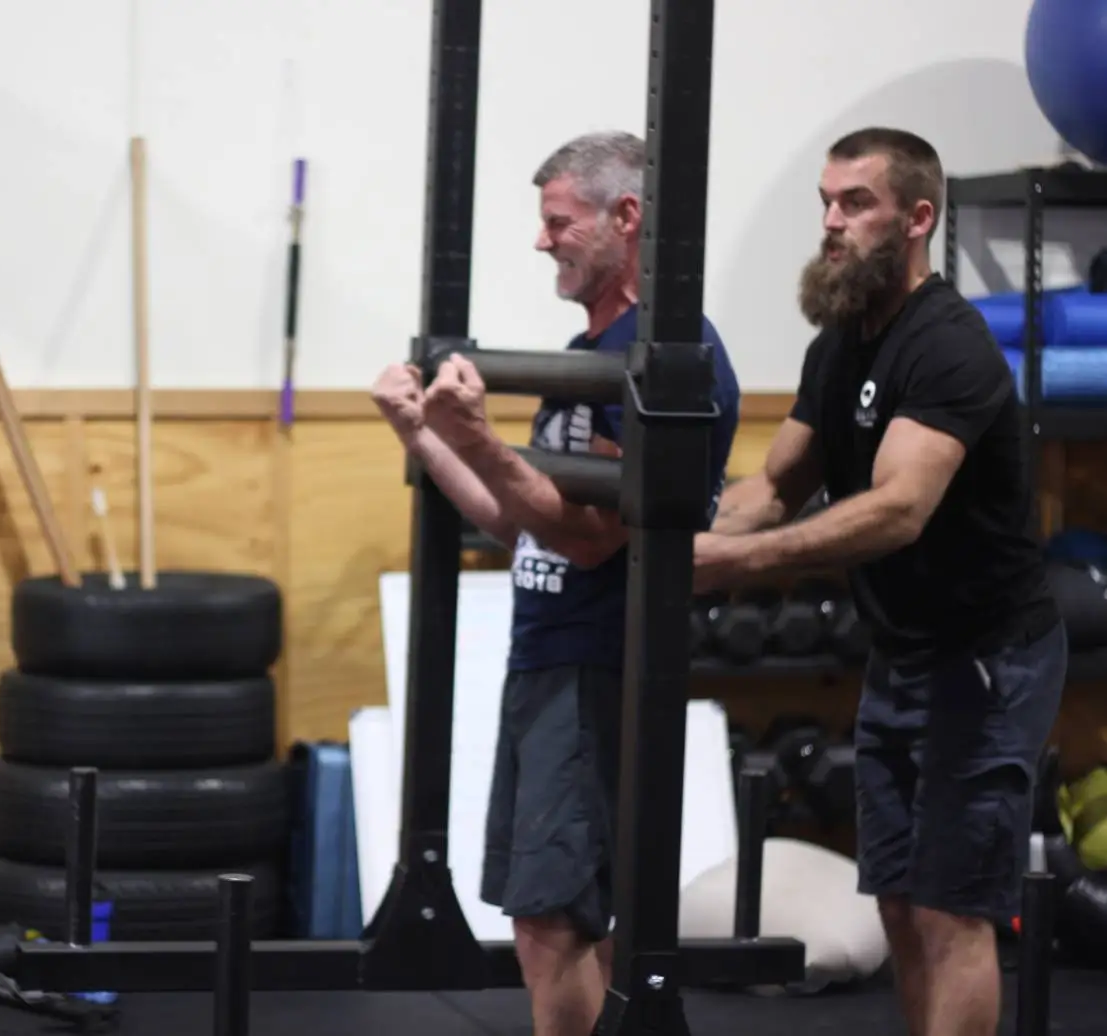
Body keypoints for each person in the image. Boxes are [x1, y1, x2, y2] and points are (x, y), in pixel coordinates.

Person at [694, 126, 1066, 1036]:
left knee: (950, 911)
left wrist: (735, 564)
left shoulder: (949, 346)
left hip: (986, 662)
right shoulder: (840, 345)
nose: (830, 221)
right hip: (900, 656)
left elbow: (899, 508)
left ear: (916, 219)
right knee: (898, 901)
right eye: (824, 201)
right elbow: (775, 485)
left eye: (854, 203)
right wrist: (683, 537)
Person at [371, 130, 742, 1036]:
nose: (541, 241)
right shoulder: (592, 350)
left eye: (556, 221)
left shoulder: (664, 360)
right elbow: (517, 519)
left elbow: (589, 540)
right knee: (550, 920)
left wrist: (481, 438)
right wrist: (419, 433)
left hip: (595, 668)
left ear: (625, 218)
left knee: (551, 921)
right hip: (546, 661)